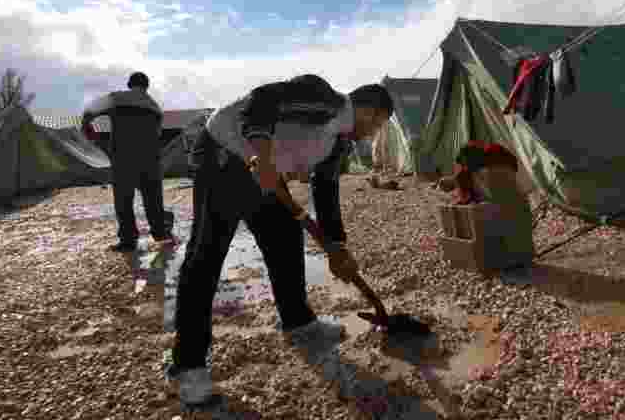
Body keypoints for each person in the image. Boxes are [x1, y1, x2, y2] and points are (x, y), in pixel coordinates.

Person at [168, 74, 393, 407]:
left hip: (266, 174)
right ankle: (188, 366)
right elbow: (262, 101)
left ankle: (299, 322)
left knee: (286, 240)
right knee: (205, 256)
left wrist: (336, 245)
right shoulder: (324, 97)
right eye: (377, 124)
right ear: (369, 110)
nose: (374, 132)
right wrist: (261, 153)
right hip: (224, 154)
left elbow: (325, 190)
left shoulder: (339, 142)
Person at [82, 72, 176, 252]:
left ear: (129, 84)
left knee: (124, 202)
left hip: (123, 160)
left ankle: (128, 240)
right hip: (150, 161)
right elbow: (157, 135)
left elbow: (89, 112)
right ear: (146, 86)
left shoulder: (117, 98)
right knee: (153, 201)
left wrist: (91, 133)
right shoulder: (155, 107)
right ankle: (160, 234)